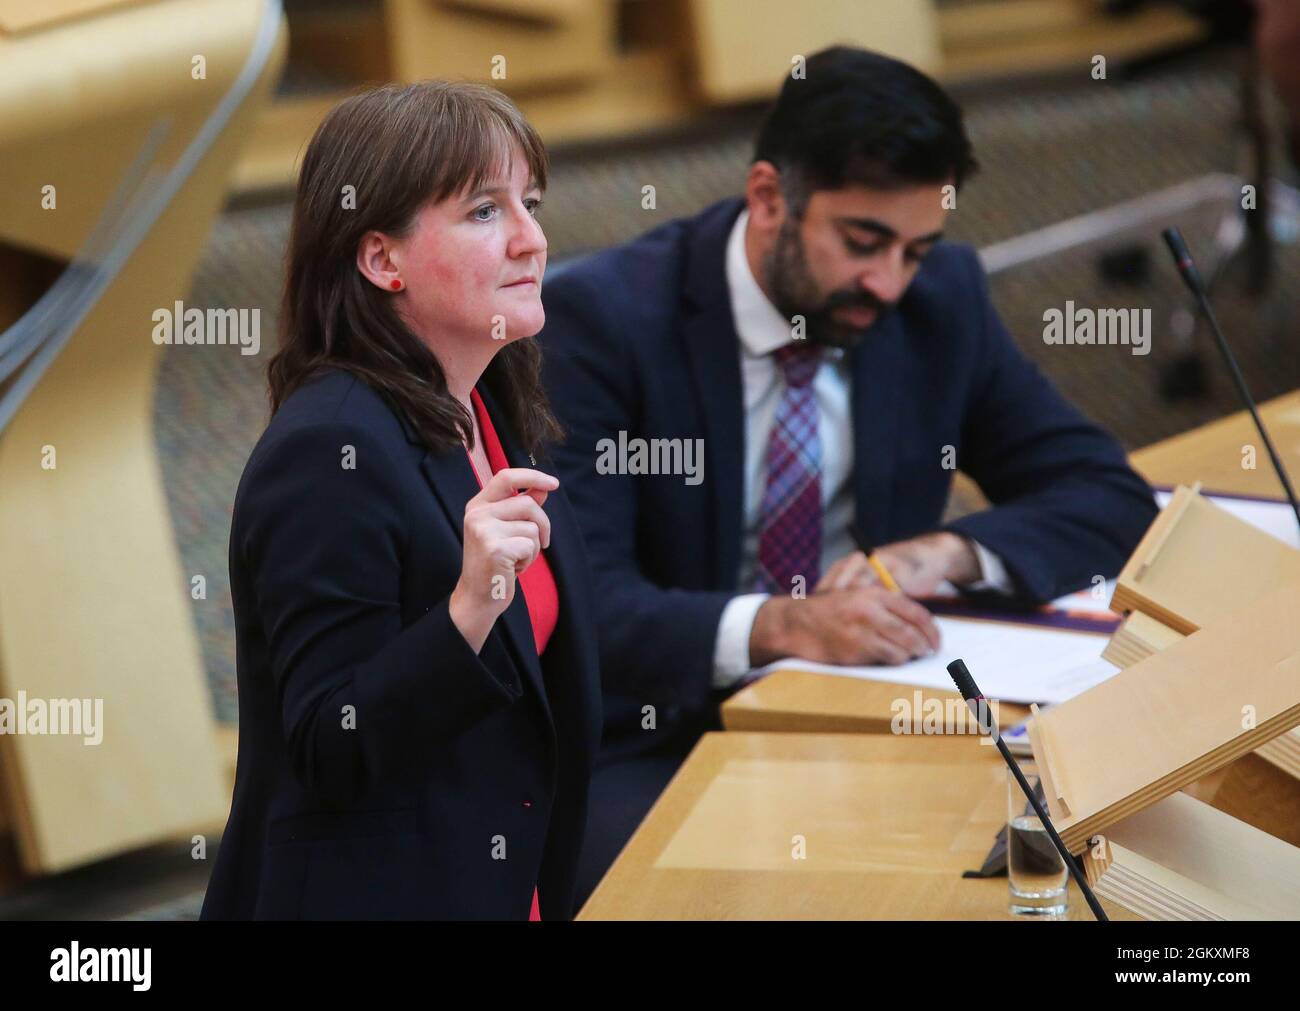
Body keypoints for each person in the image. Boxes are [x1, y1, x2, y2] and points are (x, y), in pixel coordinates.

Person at [540, 46, 1159, 905]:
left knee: (1068, 861)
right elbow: (582, 606)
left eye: (915, 249)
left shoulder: (939, 301)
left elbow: (1106, 492)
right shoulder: (603, 323)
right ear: (768, 198)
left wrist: (942, 553)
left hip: (865, 710)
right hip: (652, 731)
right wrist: (782, 626)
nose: (888, 283)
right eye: (863, 242)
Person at [200, 80, 601, 920]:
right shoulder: (326, 453)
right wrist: (468, 607)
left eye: (528, 203)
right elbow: (330, 744)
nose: (533, 239)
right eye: (485, 213)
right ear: (382, 259)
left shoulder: (488, 402)